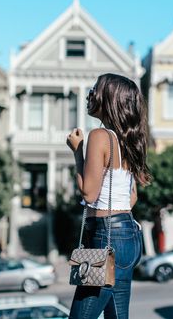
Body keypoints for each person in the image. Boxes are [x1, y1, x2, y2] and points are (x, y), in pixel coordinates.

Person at [66, 73, 151, 319]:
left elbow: (89, 193)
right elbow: (131, 198)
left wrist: (78, 152)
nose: (90, 94)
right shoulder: (129, 140)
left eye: (95, 89)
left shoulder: (100, 136)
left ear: (108, 99)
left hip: (105, 236)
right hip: (128, 235)